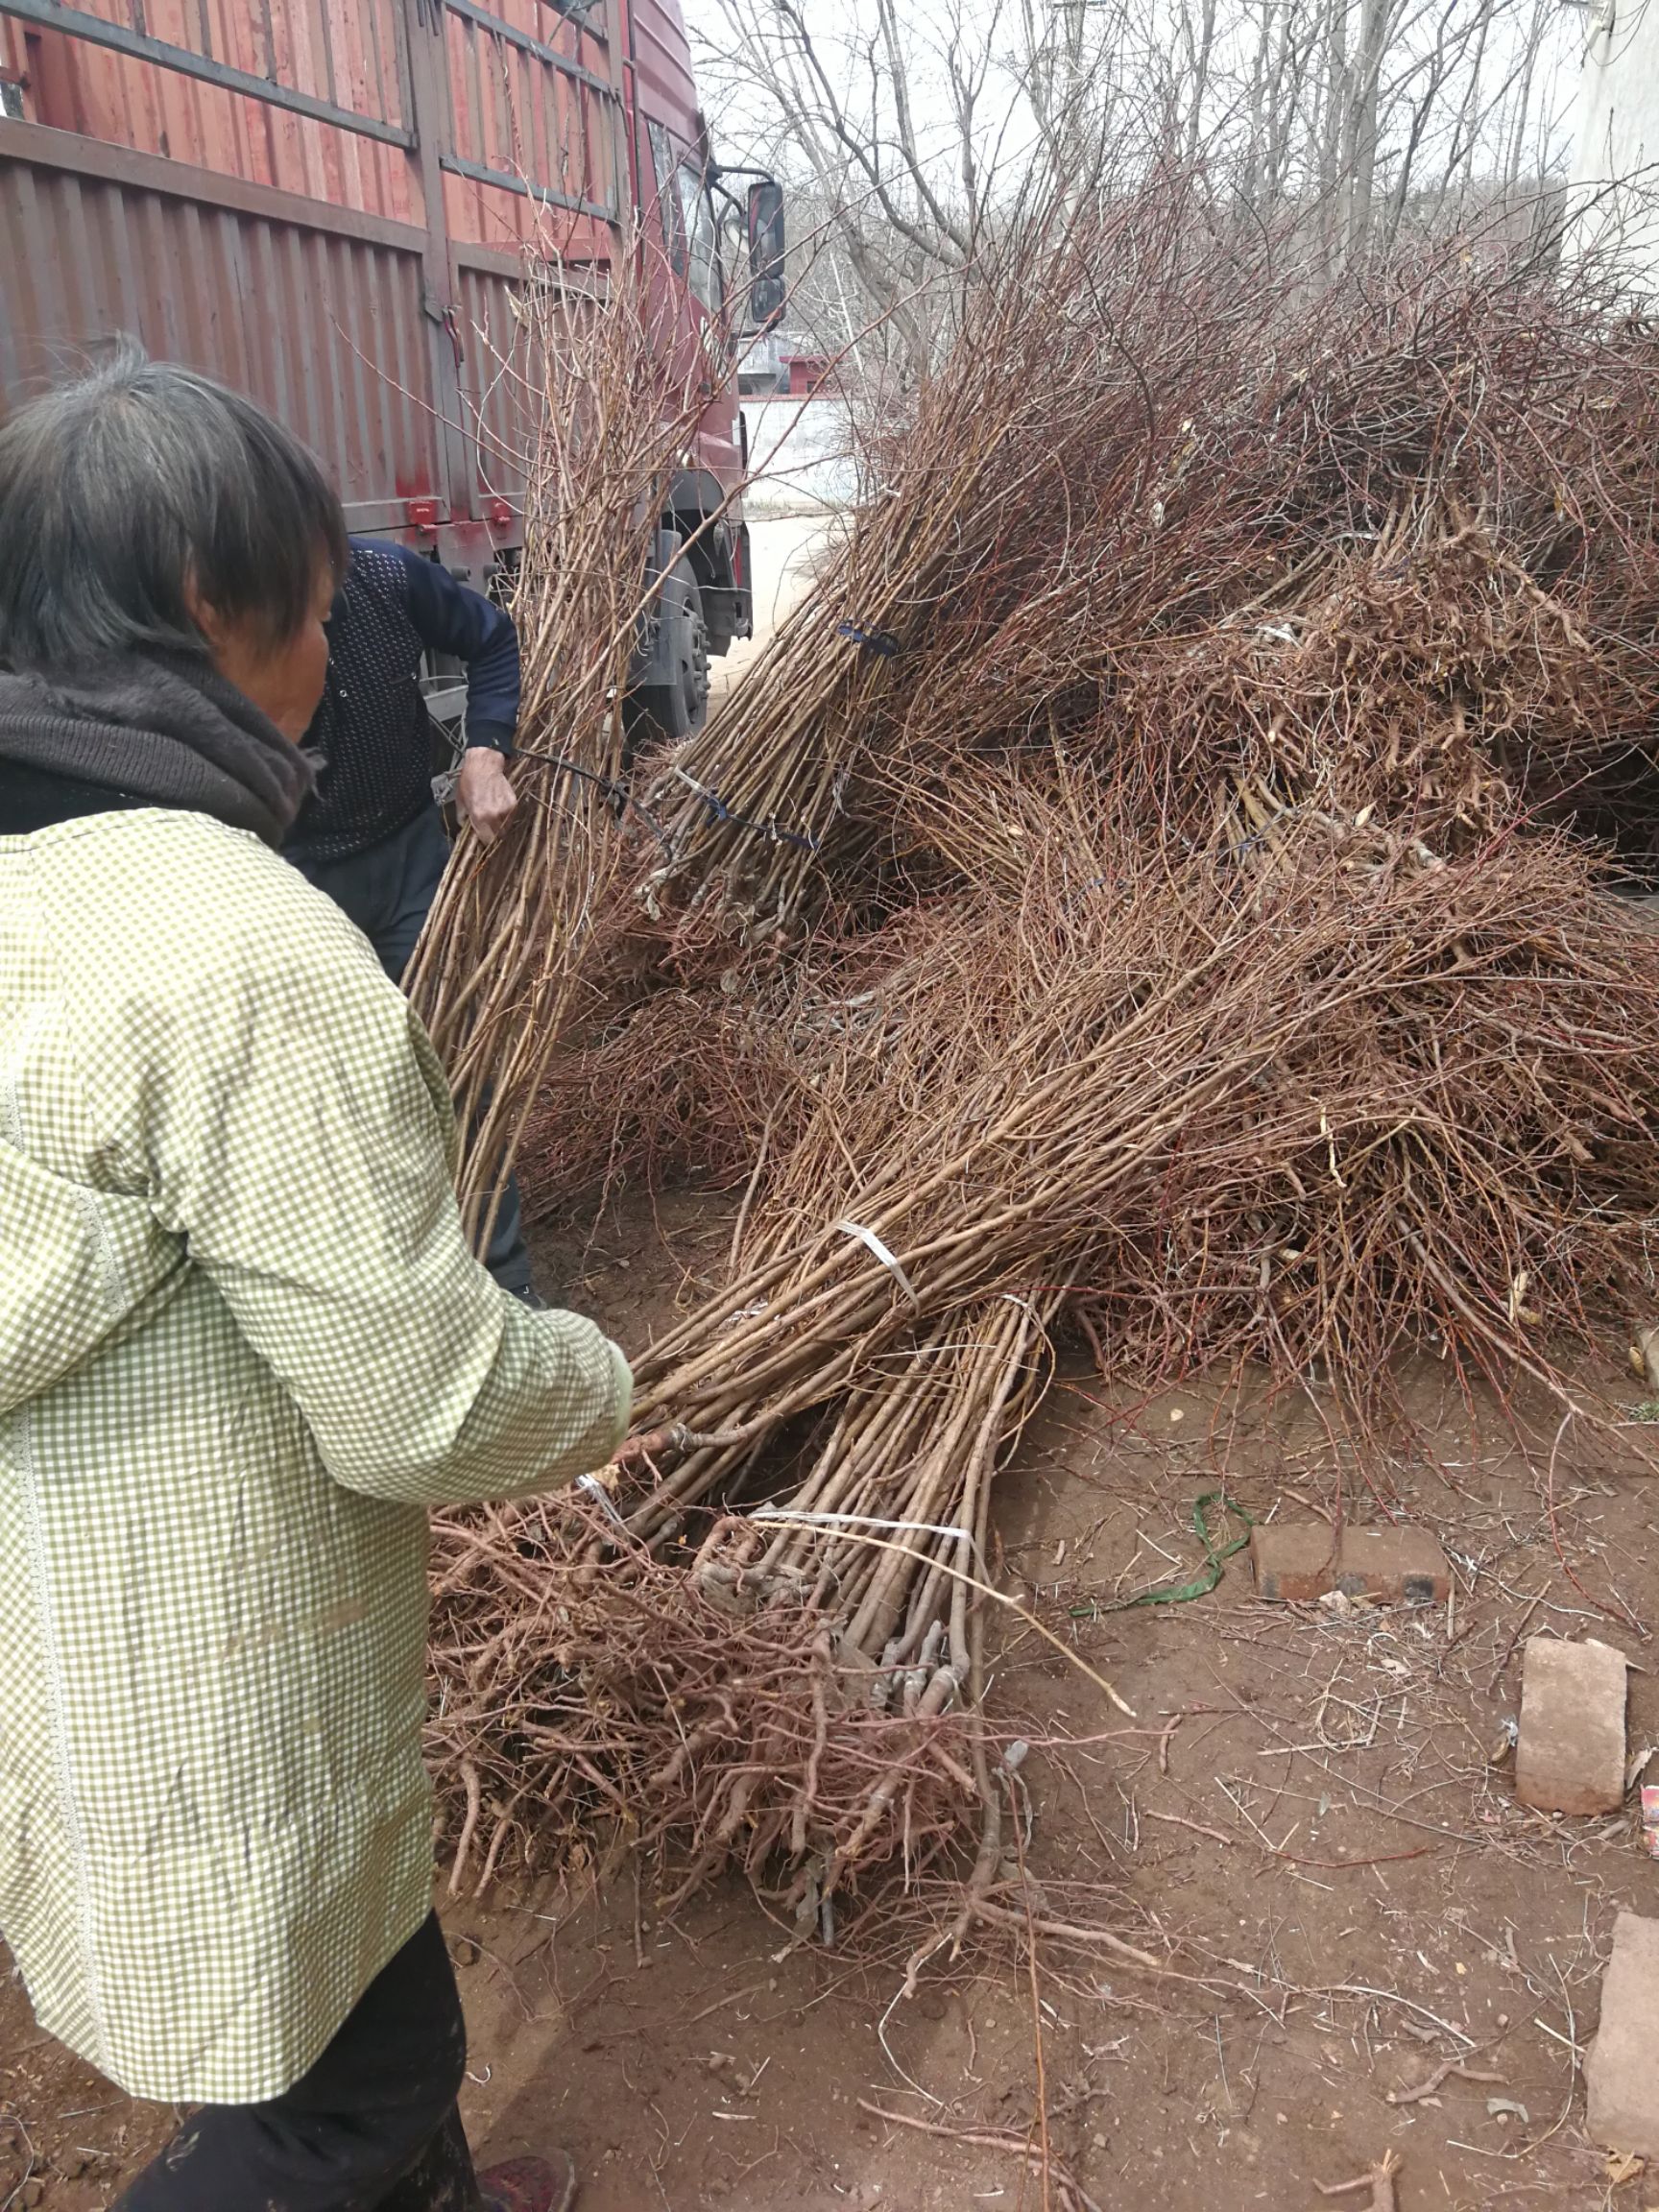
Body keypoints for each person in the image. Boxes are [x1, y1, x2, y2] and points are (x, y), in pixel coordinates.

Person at [0, 352, 628, 2212]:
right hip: (210, 1653)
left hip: (58, 1612)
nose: (333, 640)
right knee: (331, 2098)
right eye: (318, 601)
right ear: (214, 607)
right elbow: (416, 1397)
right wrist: (593, 1378)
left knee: (356, 1985)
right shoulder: (245, 958)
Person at [284, 537, 536, 1299]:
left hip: (404, 854)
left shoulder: (386, 575)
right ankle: (382, 1286)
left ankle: (504, 1278)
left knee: (454, 1058)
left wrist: (485, 752)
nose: (320, 617)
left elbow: (492, 638)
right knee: (327, 1086)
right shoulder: (214, 617)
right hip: (288, 873)